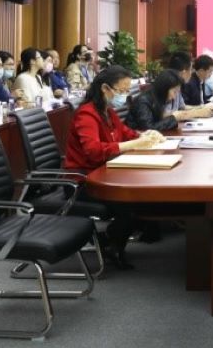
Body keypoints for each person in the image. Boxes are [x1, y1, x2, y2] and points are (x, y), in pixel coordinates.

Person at [64, 66, 165, 267]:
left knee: (139, 198)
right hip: (83, 181)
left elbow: (125, 132)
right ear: (105, 88)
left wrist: (145, 135)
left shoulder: (107, 111)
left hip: (105, 172)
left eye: (127, 90)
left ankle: (110, 242)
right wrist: (134, 144)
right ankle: (111, 245)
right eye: (121, 90)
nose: (124, 95)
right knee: (130, 202)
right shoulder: (87, 114)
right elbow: (93, 150)